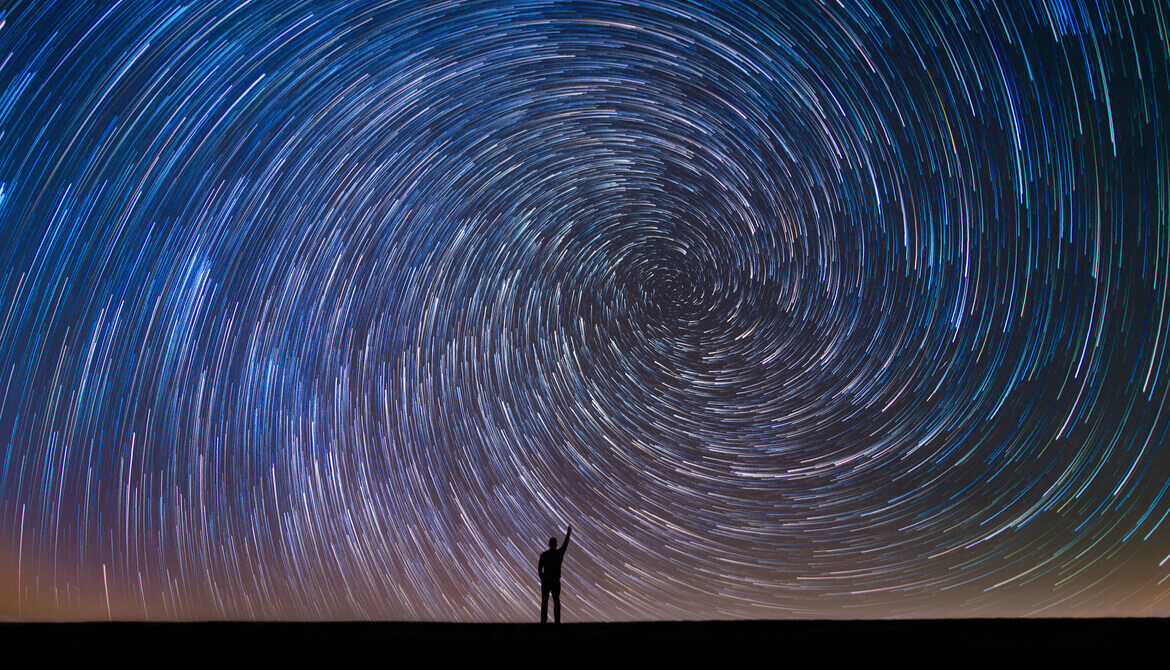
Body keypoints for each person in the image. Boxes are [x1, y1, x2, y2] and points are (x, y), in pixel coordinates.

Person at [538, 524, 572, 623]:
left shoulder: (544, 555)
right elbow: (565, 545)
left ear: (549, 544)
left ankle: (543, 620)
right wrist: (568, 533)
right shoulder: (559, 554)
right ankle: (557, 621)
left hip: (547, 581)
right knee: (556, 601)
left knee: (545, 601)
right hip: (554, 581)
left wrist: (543, 578)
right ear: (556, 545)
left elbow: (539, 569)